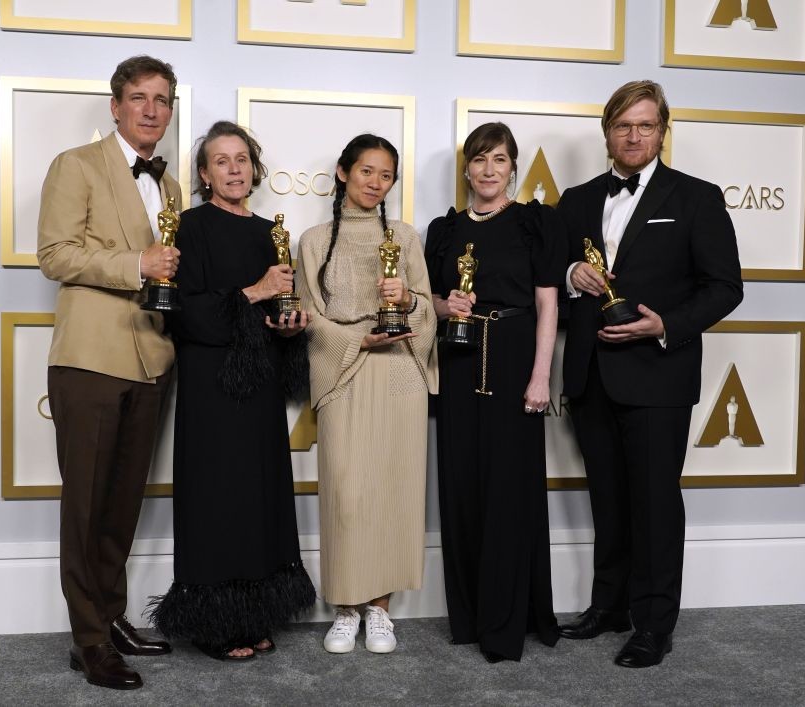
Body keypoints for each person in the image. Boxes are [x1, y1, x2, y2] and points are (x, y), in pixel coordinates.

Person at [556, 80, 743, 668]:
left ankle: (654, 624)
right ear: (607, 132)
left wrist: (666, 325)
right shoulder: (577, 199)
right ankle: (609, 606)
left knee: (656, 503)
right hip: (591, 374)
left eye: (645, 125)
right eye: (623, 126)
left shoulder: (697, 197)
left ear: (662, 131)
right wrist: (571, 274)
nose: (633, 136)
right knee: (608, 499)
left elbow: (725, 287)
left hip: (659, 374)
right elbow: (549, 278)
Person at [37, 55, 182, 691]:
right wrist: (136, 265)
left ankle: (112, 616)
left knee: (122, 504)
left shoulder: (171, 186)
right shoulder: (76, 165)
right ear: (116, 106)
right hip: (90, 359)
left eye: (162, 99)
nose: (151, 109)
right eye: (139, 98)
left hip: (152, 359)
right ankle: (88, 639)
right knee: (86, 505)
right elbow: (54, 254)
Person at [146, 121, 316, 660]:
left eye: (242, 159)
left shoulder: (272, 232)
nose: (234, 169)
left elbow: (276, 312)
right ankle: (214, 623)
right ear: (204, 174)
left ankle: (256, 613)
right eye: (221, 161)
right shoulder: (188, 228)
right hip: (210, 385)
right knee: (216, 496)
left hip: (260, 383)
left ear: (254, 168)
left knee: (260, 495)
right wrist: (256, 291)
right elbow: (184, 312)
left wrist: (290, 327)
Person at [424, 122, 566, 662]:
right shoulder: (444, 230)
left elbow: (548, 303)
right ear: (467, 169)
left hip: (513, 359)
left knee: (509, 490)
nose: (489, 170)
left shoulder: (534, 222)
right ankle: (469, 617)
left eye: (499, 159)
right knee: (462, 486)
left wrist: (540, 375)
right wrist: (447, 306)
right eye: (480, 159)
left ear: (513, 168)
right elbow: (430, 302)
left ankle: (507, 624)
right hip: (458, 359)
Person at [296, 134, 437, 655]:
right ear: (343, 172)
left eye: (386, 175)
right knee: (347, 494)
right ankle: (346, 607)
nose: (376, 183)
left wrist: (409, 300)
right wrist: (358, 338)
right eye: (366, 171)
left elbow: (426, 308)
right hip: (344, 369)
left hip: (400, 372)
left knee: (394, 490)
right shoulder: (313, 240)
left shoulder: (406, 236)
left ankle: (380, 609)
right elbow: (308, 315)